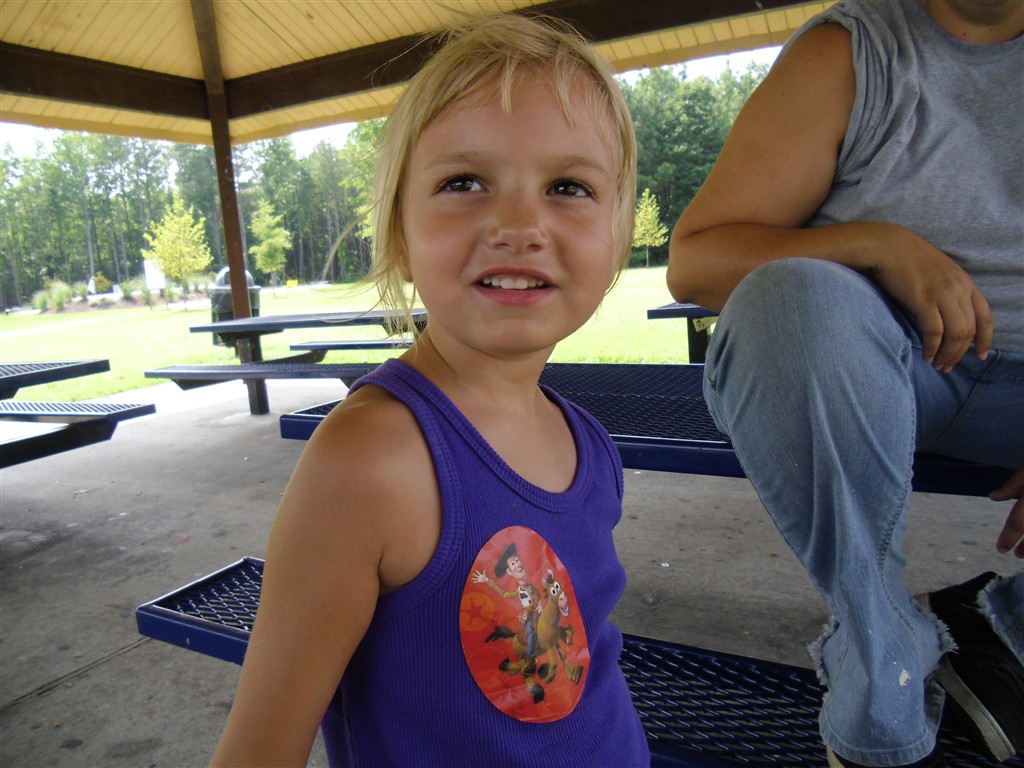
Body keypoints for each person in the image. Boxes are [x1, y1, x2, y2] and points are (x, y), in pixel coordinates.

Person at [211, 13, 648, 767]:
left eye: (568, 186)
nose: (519, 224)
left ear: (616, 239)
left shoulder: (589, 445)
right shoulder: (372, 459)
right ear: (400, 237)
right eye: (464, 183)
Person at [666, 1, 1023, 767]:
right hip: (878, 363)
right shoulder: (854, 50)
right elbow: (695, 262)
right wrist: (874, 244)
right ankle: (880, 657)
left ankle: (1002, 628)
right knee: (789, 300)